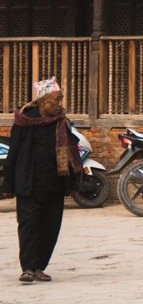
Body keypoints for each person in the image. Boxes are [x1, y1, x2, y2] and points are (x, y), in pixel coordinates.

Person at [7, 77, 83, 284]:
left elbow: (72, 152)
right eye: (56, 100)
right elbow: (13, 153)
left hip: (54, 185)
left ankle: (40, 266)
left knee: (50, 227)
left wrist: (75, 178)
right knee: (29, 226)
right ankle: (28, 268)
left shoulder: (61, 123)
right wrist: (8, 183)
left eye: (61, 99)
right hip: (29, 183)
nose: (60, 104)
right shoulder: (24, 121)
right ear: (42, 101)